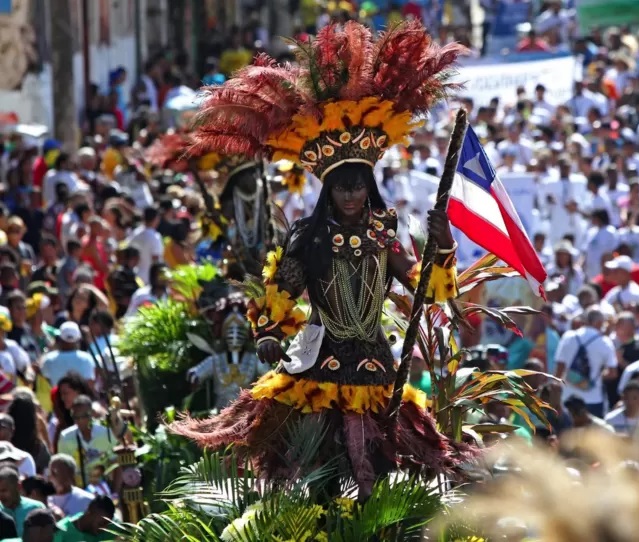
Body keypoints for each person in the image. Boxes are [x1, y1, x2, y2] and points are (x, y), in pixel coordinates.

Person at [172, 20, 473, 501]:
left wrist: (443, 248)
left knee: (383, 470)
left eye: (357, 184)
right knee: (314, 473)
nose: (351, 194)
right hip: (318, 364)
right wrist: (270, 333)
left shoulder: (384, 233)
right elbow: (281, 293)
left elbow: (429, 291)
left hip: (376, 364)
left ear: (368, 186)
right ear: (328, 189)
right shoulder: (308, 236)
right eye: (342, 186)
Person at [553, 306, 618, 417]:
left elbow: (559, 370)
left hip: (567, 397)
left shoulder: (568, 337)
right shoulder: (605, 342)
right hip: (593, 399)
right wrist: (597, 377)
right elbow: (612, 373)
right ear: (599, 322)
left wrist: (555, 396)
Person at [55, 396, 114, 489]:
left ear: (91, 414)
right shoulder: (65, 437)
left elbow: (116, 464)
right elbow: (63, 469)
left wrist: (116, 492)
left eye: (84, 416)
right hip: (79, 490)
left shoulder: (105, 433)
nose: (80, 420)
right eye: (76, 417)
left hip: (104, 489)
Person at [39, 322, 96, 387]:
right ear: (79, 339)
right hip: (81, 397)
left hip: (56, 396)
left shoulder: (48, 359)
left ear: (59, 338)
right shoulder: (87, 359)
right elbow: (90, 384)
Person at [125, 206, 162, 286]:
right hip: (149, 278)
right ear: (156, 219)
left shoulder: (135, 233)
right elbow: (156, 259)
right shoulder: (155, 237)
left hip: (136, 275)